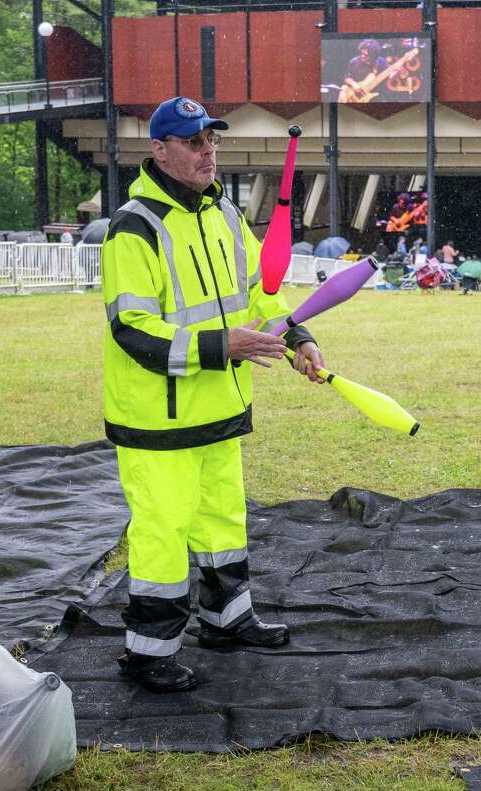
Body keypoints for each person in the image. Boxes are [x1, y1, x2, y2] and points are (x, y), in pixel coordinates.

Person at [101, 96, 326, 694]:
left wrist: (295, 333)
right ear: (160, 150)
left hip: (222, 408)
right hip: (158, 421)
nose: (208, 151)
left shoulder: (224, 213)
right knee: (163, 533)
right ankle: (149, 653)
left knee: (223, 519)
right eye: (194, 141)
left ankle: (228, 620)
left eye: (213, 140)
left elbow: (260, 291)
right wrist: (219, 347)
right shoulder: (135, 227)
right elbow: (133, 330)